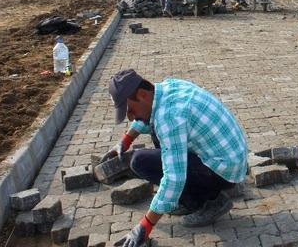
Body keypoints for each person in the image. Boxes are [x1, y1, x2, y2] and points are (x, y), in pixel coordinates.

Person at [103, 69, 248, 247]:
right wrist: (126, 140)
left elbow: (174, 178)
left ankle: (208, 203)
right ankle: (198, 193)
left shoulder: (169, 118)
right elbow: (145, 116)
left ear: (142, 94)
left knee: (140, 161)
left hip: (224, 169)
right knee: (156, 132)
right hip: (232, 159)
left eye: (130, 110)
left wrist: (144, 227)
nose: (131, 117)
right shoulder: (167, 88)